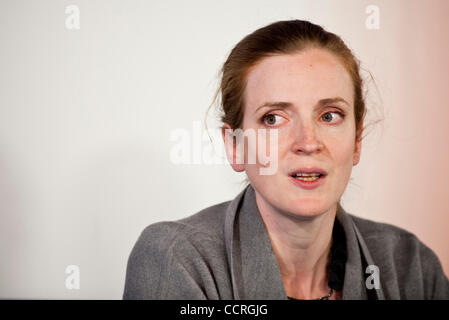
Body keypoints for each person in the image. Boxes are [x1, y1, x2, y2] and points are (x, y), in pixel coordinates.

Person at [123, 19, 449, 300]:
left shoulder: (412, 266)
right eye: (273, 119)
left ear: (357, 140)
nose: (308, 143)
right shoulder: (177, 259)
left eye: (330, 115)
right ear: (235, 146)